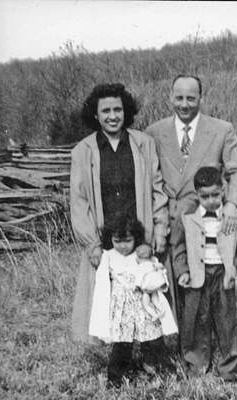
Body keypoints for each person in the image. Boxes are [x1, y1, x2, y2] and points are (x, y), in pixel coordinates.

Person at [70, 83, 169, 343]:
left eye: (117, 109)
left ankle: (151, 353)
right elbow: (79, 201)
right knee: (110, 298)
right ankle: (119, 358)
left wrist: (158, 230)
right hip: (105, 241)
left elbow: (157, 190)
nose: (112, 116)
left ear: (126, 111)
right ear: (95, 114)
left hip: (140, 236)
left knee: (145, 293)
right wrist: (91, 243)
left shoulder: (143, 144)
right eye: (106, 111)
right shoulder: (84, 151)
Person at [145, 74, 237, 322]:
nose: (184, 104)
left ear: (200, 98)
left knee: (210, 283)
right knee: (174, 281)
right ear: (170, 97)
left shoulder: (222, 130)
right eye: (178, 97)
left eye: (191, 98)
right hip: (170, 220)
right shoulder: (154, 132)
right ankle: (180, 342)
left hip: (205, 219)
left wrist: (232, 205)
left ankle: (214, 339)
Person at [172, 167, 237, 381]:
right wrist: (183, 271)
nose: (211, 200)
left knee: (227, 320)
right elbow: (178, 247)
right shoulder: (187, 218)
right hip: (199, 274)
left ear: (223, 190)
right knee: (197, 318)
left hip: (222, 274)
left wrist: (234, 266)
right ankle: (197, 366)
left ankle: (229, 368)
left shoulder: (231, 217)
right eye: (204, 196)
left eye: (215, 194)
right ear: (196, 194)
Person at [88, 213, 178, 387]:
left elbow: (154, 272)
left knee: (152, 337)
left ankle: (159, 367)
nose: (122, 246)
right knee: (122, 342)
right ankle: (116, 376)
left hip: (142, 304)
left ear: (136, 238)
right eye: (117, 241)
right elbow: (101, 283)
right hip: (122, 308)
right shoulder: (108, 255)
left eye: (127, 241)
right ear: (110, 239)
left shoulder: (141, 254)